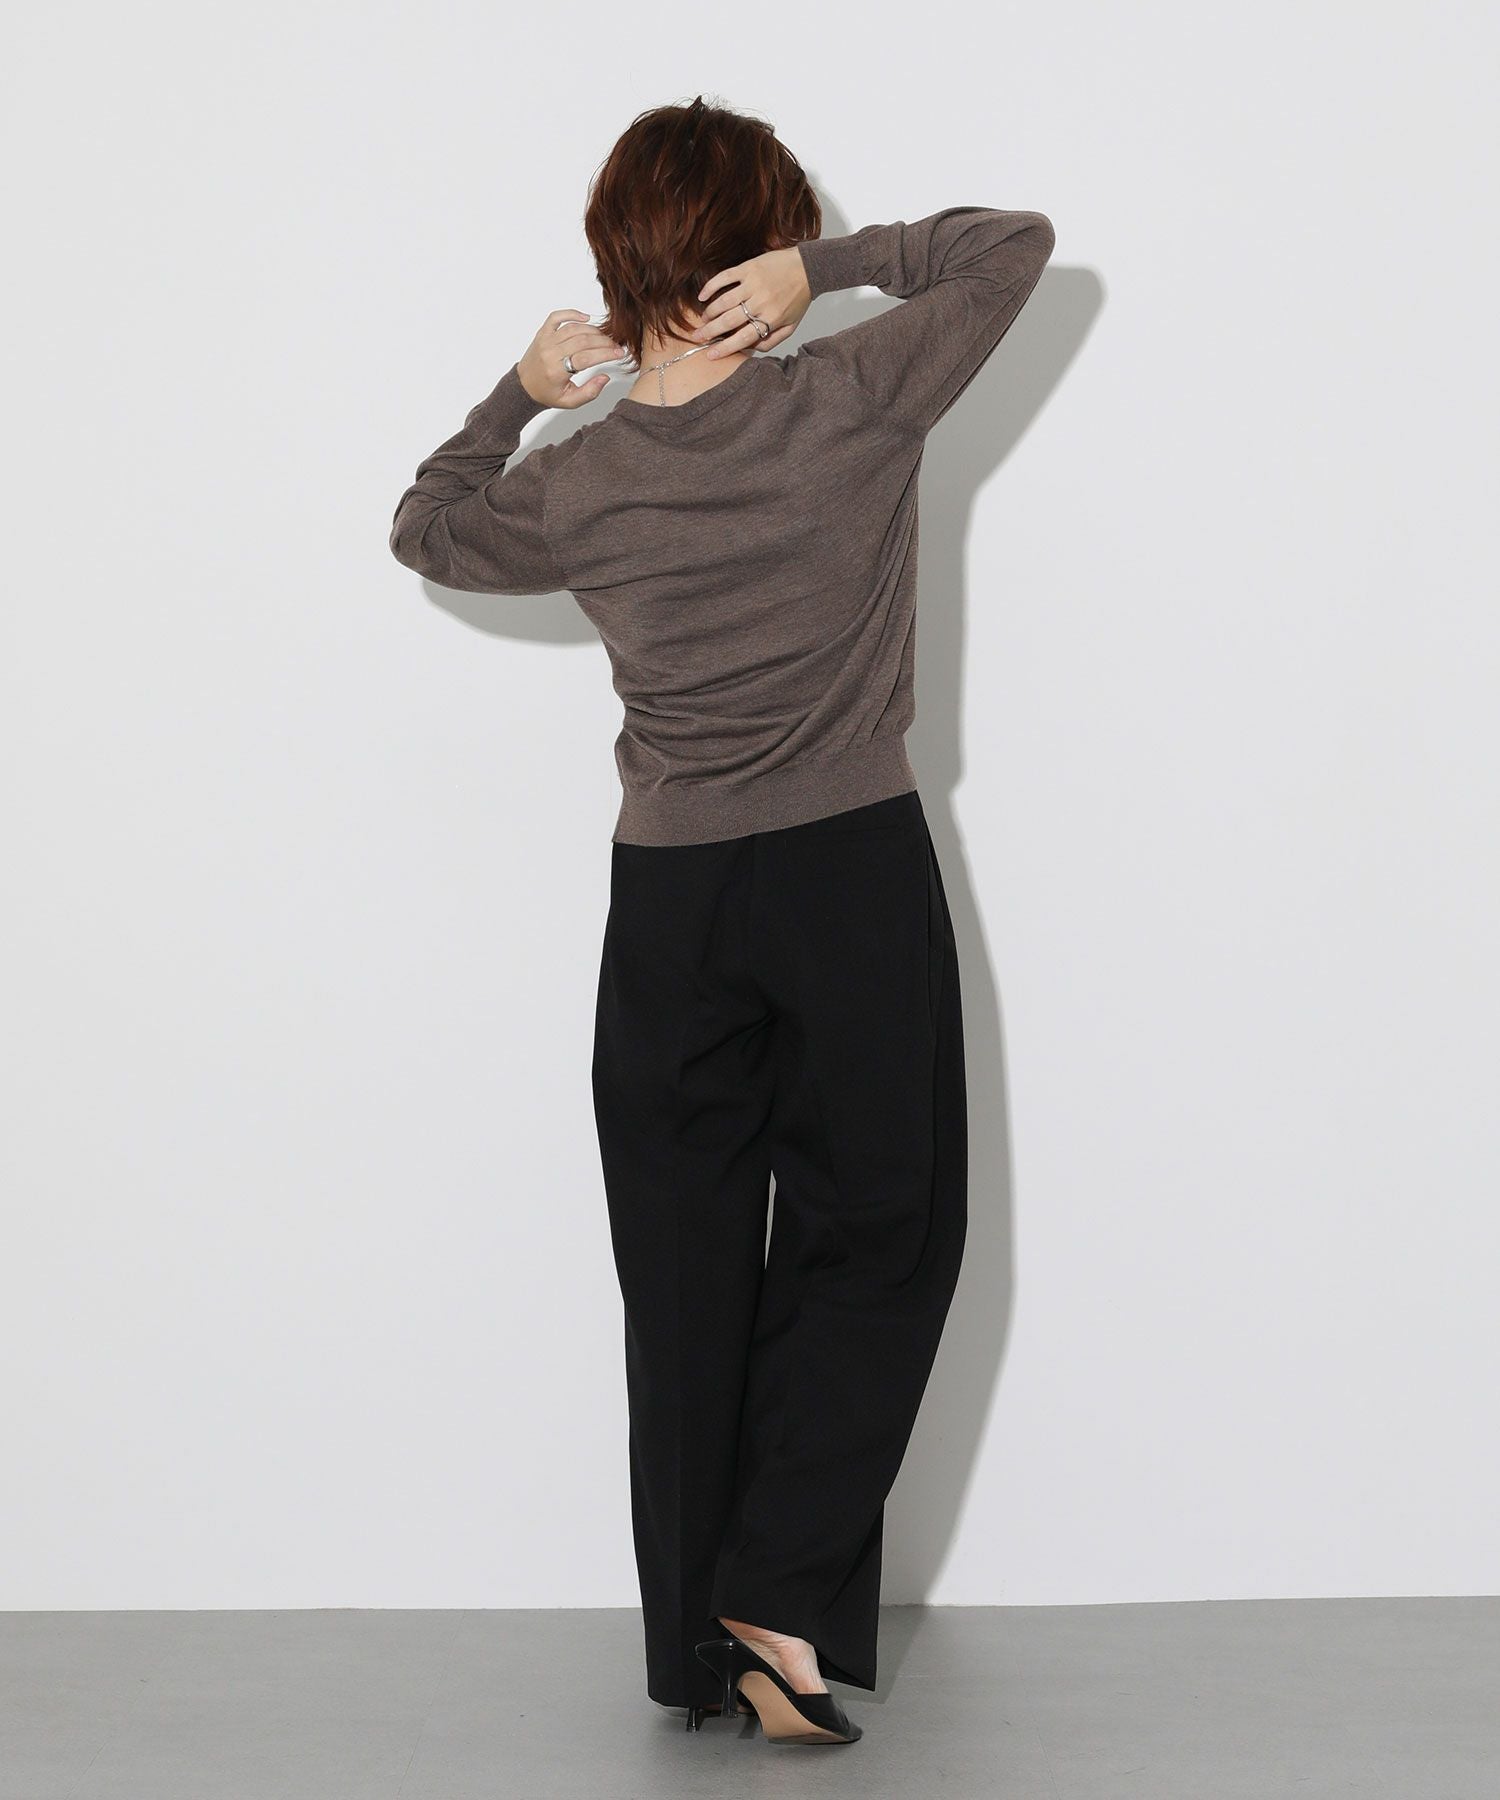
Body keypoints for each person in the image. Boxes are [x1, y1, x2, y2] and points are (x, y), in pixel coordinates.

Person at [389, 94, 1054, 1749]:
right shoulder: (853, 394)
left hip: (672, 907)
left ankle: (712, 1651)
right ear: (758, 246)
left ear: (615, 258)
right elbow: (1009, 249)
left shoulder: (580, 481)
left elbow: (425, 526)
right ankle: (776, 1595)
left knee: (683, 1278)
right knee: (884, 1234)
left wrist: (519, 393)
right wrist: (834, 269)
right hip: (847, 873)